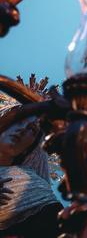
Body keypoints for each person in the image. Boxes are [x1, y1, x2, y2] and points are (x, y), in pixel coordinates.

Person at [0, 93, 62, 237]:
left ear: (30, 148)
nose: (23, 129)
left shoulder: (34, 187)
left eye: (32, 129)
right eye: (18, 120)